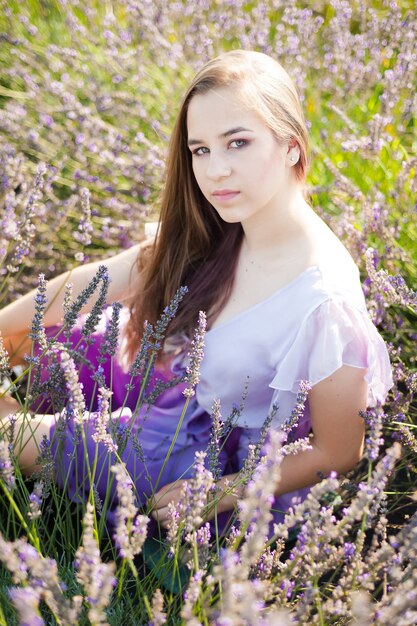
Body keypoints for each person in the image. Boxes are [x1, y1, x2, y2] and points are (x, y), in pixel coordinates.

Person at [0, 50, 392, 531]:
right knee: (40, 337)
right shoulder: (226, 222)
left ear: (291, 145)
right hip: (176, 373)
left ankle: (44, 440)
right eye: (201, 149)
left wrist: (218, 494)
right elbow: (104, 279)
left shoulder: (324, 300)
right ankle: (39, 413)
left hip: (199, 455)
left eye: (238, 143)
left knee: (7, 434)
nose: (215, 171)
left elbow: (340, 450)